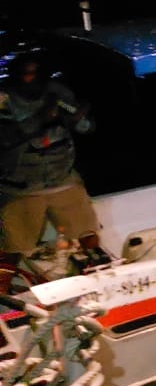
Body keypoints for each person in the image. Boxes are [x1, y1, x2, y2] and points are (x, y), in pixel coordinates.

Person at [0, 49, 100, 255]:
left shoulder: (57, 92)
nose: (30, 80)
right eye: (24, 74)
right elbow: (6, 138)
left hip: (62, 180)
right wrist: (41, 117)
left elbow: (87, 127)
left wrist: (78, 118)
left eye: (35, 74)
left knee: (88, 239)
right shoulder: (4, 98)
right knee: (14, 252)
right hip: (19, 189)